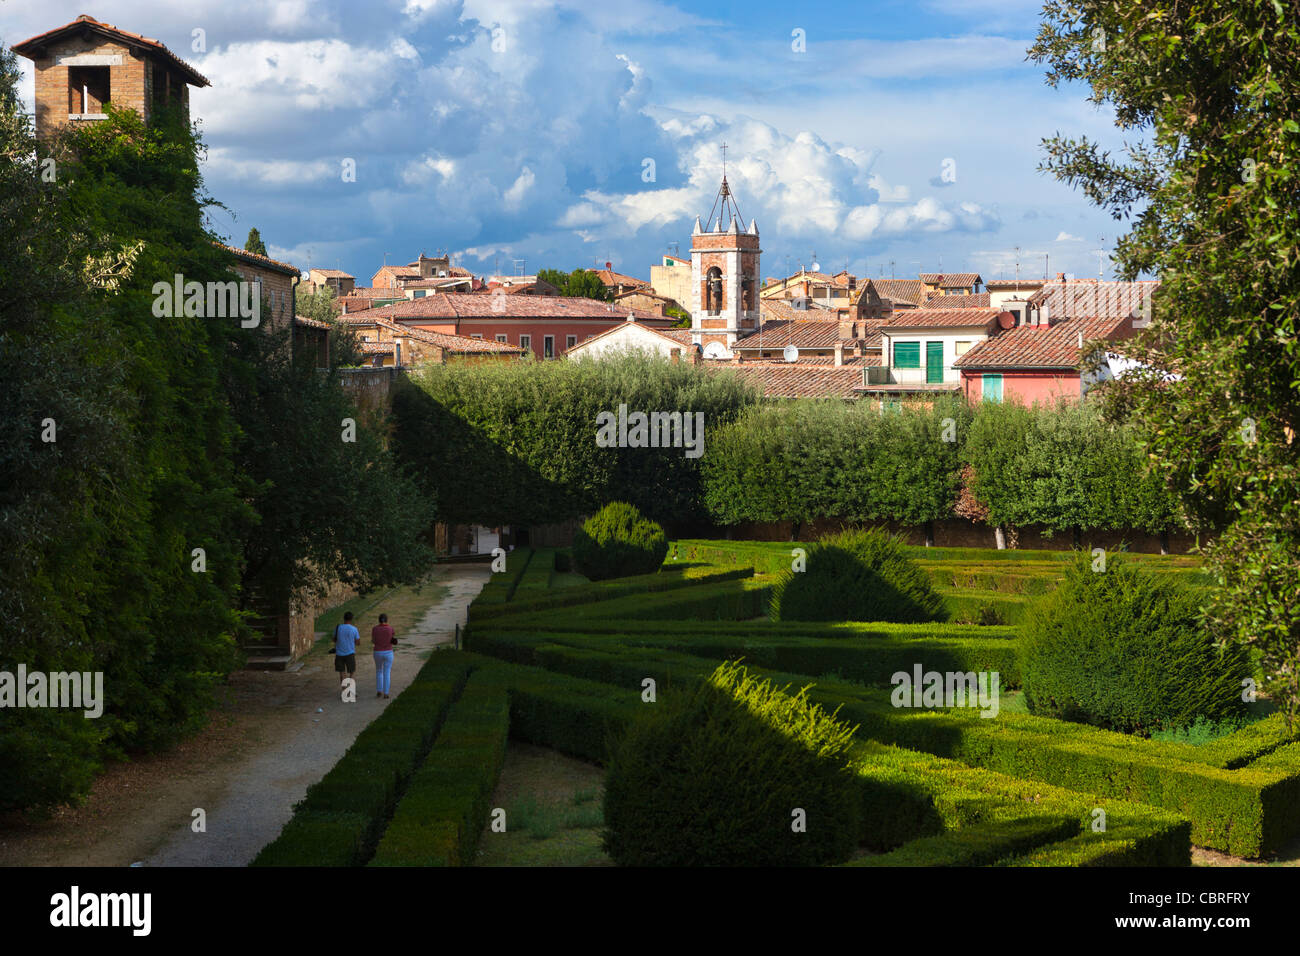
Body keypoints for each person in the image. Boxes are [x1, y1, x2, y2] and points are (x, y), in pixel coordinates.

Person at [371, 613, 396, 699]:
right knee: (387, 672)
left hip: (378, 652)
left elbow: (373, 641)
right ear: (386, 620)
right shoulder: (390, 628)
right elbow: (392, 638)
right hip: (388, 652)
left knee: (379, 671)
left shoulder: (374, 629)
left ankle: (379, 691)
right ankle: (386, 693)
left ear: (379, 620)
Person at [332, 611, 360, 687]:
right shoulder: (354, 629)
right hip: (350, 653)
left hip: (339, 654)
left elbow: (334, 639)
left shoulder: (338, 628)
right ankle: (350, 689)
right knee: (352, 672)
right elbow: (358, 642)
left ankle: (344, 691)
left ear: (344, 618)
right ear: (351, 619)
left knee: (342, 673)